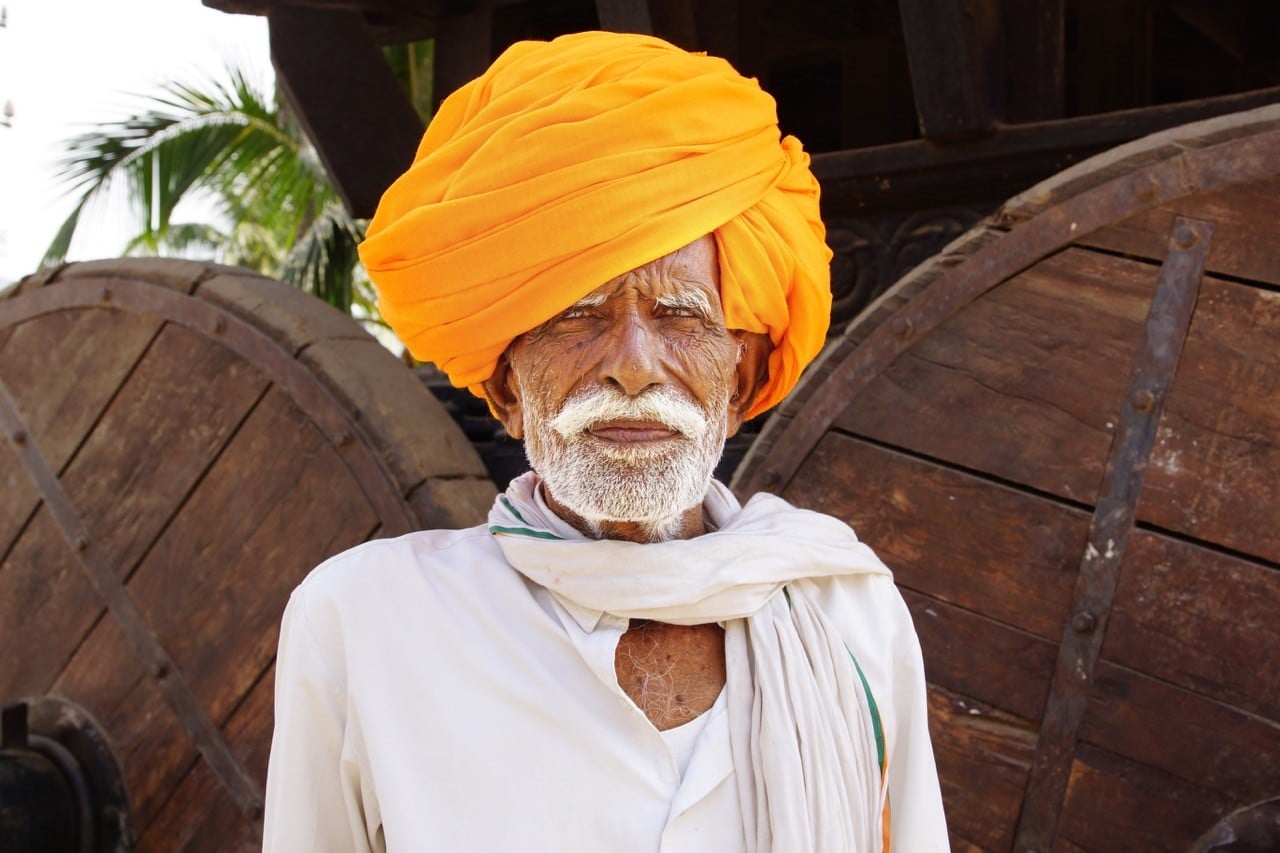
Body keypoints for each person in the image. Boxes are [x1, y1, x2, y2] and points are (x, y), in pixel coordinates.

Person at [263, 30, 947, 852]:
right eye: (578, 316)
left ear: (740, 379)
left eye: (681, 316)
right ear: (506, 388)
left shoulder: (851, 615)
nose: (632, 365)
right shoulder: (363, 621)